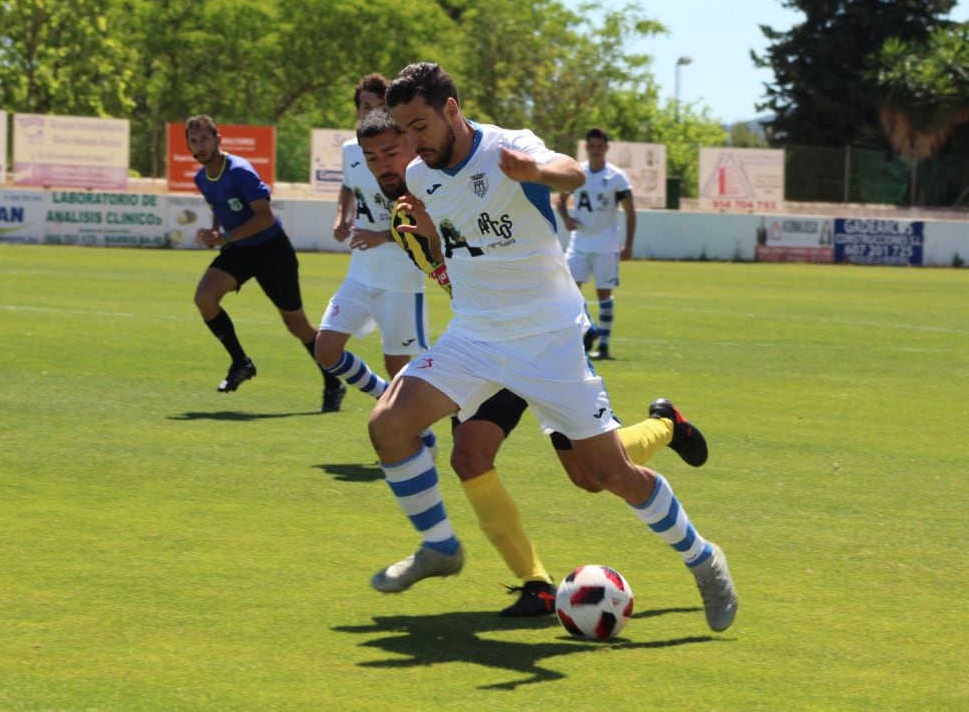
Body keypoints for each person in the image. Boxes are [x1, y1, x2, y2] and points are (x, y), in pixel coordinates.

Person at [366, 63, 737, 632]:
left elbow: (568, 175)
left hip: (549, 338)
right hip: (475, 335)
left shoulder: (509, 147)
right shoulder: (420, 177)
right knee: (389, 424)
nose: (413, 142)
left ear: (452, 109)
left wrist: (536, 169)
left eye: (420, 125)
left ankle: (704, 558)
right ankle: (440, 547)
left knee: (606, 475)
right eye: (405, 130)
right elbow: (447, 241)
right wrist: (424, 239)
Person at [185, 114, 344, 409]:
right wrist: (215, 232)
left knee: (297, 326)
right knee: (204, 298)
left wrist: (226, 237)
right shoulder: (201, 178)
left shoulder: (240, 171)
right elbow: (219, 208)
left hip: (272, 250)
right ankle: (241, 362)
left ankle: (333, 381)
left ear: (218, 140)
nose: (200, 145)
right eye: (194, 141)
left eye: (205, 139)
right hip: (241, 249)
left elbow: (265, 216)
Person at [313, 73, 430, 419]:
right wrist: (341, 215)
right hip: (362, 271)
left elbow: (431, 218)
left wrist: (383, 235)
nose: (369, 113)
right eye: (364, 107)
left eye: (376, 106)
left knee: (399, 368)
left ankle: (416, 430)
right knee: (326, 349)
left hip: (402, 277)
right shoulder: (352, 151)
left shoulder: (411, 153)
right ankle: (384, 396)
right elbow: (348, 185)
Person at [556, 128, 637, 361]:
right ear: (586, 147)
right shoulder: (577, 172)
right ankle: (589, 327)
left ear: (606, 148)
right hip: (579, 243)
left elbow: (631, 212)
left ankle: (603, 346)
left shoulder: (617, 177)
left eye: (600, 146)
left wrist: (628, 244)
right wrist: (566, 219)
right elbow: (561, 200)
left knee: (604, 295)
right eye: (591, 146)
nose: (595, 150)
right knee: (568, 290)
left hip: (606, 245)